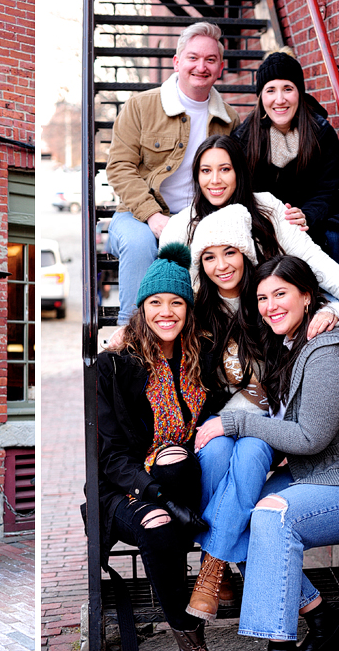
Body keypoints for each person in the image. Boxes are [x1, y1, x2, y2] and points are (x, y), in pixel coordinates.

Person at [194, 255, 339, 650]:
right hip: (318, 473)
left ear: (307, 297)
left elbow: (309, 438)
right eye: (262, 298)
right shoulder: (287, 344)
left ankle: (278, 643)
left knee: (272, 517)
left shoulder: (328, 351)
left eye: (281, 294)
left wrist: (234, 424)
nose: (271, 306)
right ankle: (323, 618)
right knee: (235, 508)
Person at [185, 205, 339, 624]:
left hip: (270, 422)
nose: (221, 265)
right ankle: (224, 564)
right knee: (214, 456)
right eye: (209, 256)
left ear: (246, 255)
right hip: (225, 418)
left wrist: (336, 313)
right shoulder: (200, 309)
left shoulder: (267, 298)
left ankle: (211, 565)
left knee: (248, 458)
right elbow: (159, 326)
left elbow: (337, 312)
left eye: (230, 253)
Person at [95, 244, 212, 651]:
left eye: (177, 302)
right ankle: (190, 639)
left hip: (183, 478)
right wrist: (152, 492)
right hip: (126, 485)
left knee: (176, 460)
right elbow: (109, 456)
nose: (167, 312)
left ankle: (211, 577)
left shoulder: (202, 356)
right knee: (158, 523)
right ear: (141, 308)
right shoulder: (114, 365)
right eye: (156, 302)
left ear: (188, 308)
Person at [159, 134, 339, 329]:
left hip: (268, 320)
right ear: (197, 176)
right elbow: (167, 291)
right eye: (206, 171)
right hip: (209, 326)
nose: (215, 180)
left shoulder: (266, 208)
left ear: (239, 172)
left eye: (225, 169)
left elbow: (312, 258)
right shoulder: (181, 227)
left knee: (331, 320)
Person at [105, 21, 240, 326]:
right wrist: (153, 216)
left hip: (199, 215)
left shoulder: (228, 119)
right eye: (193, 58)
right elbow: (119, 167)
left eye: (210, 59)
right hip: (137, 216)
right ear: (177, 62)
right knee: (141, 245)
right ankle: (132, 336)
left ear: (219, 67)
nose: (200, 66)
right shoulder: (141, 106)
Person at [233, 49, 339, 267]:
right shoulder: (244, 138)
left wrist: (306, 215)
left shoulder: (321, 132)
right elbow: (240, 191)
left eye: (288, 89)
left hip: (309, 219)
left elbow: (326, 190)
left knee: (333, 238)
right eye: (271, 90)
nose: (279, 100)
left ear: (299, 92)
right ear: (261, 97)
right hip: (263, 222)